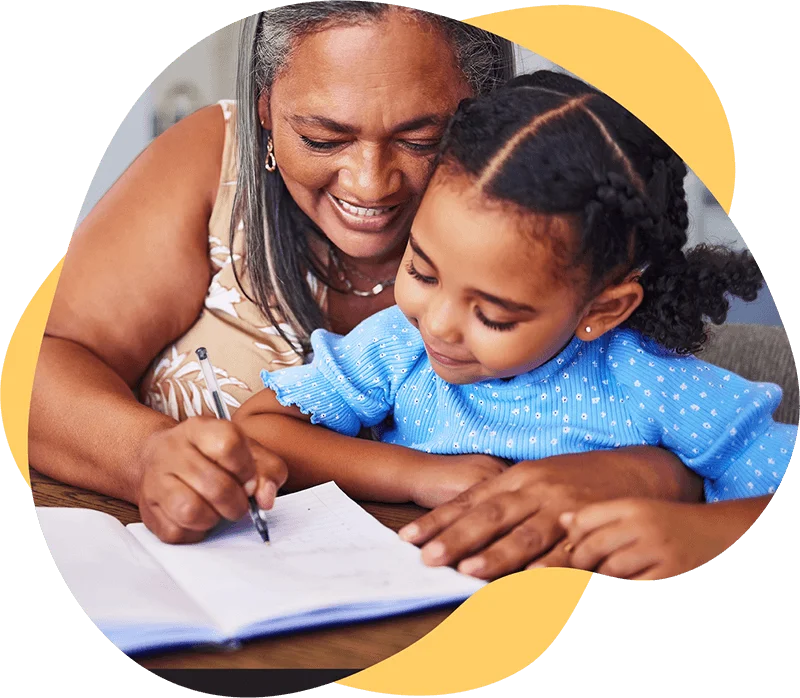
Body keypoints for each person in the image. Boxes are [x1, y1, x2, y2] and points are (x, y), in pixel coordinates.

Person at [30, 4, 702, 550]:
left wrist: (657, 474)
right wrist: (146, 455)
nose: (370, 184)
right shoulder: (211, 164)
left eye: (421, 140)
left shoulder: (556, 232)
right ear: (266, 110)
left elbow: (667, 406)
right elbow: (36, 364)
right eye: (323, 139)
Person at [233, 70, 795, 581]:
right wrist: (414, 474)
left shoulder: (649, 381)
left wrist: (701, 531)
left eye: (494, 316)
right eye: (421, 271)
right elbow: (260, 427)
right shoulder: (397, 348)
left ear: (601, 311)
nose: (439, 324)